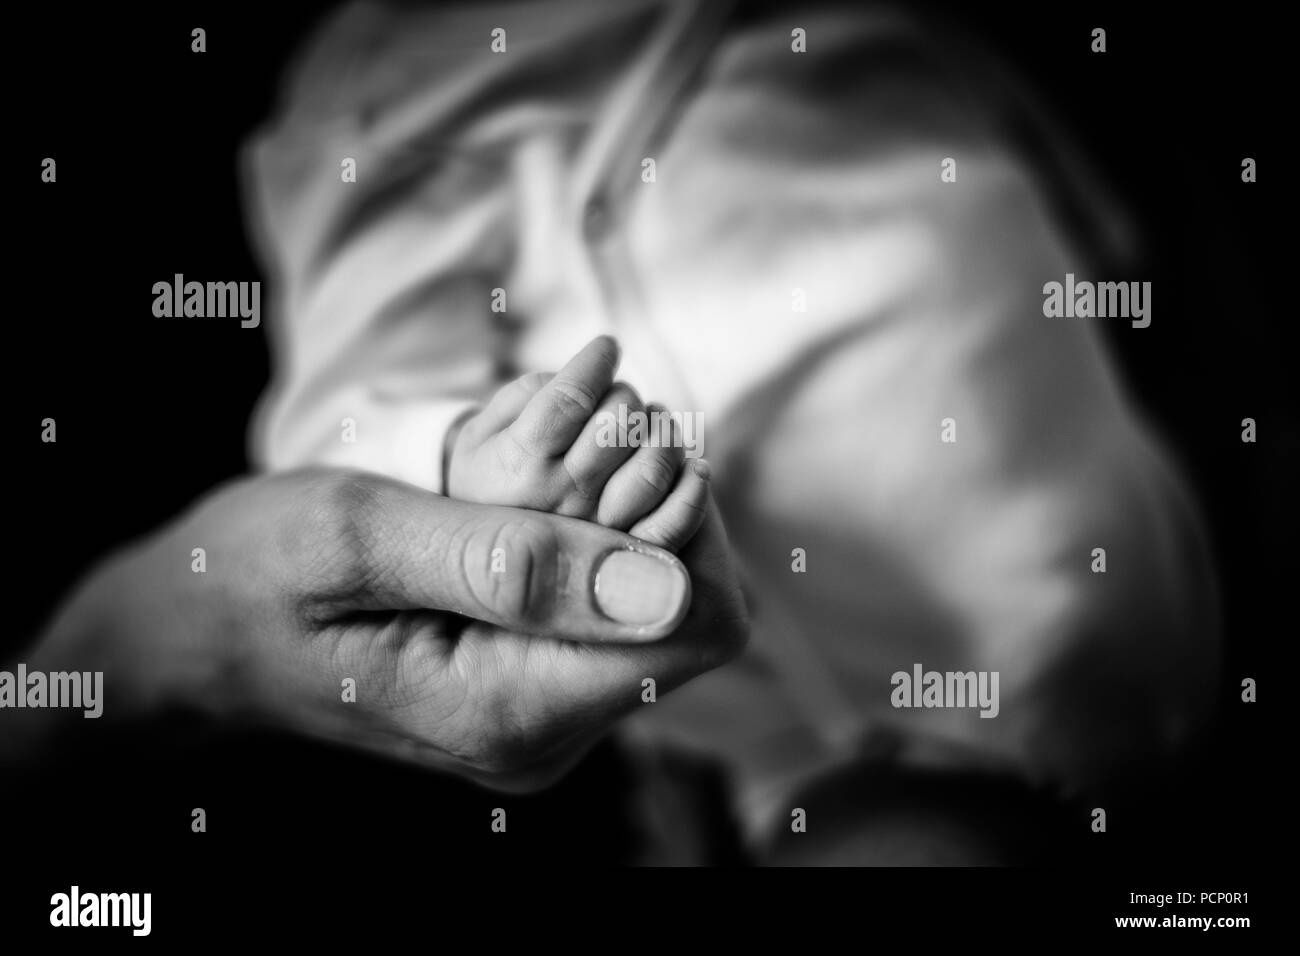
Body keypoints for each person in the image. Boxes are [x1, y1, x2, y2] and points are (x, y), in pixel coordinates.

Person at [240, 0, 1217, 859]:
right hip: (866, 710)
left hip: (1156, 577)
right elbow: (342, 429)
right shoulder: (390, 79)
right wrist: (465, 462)